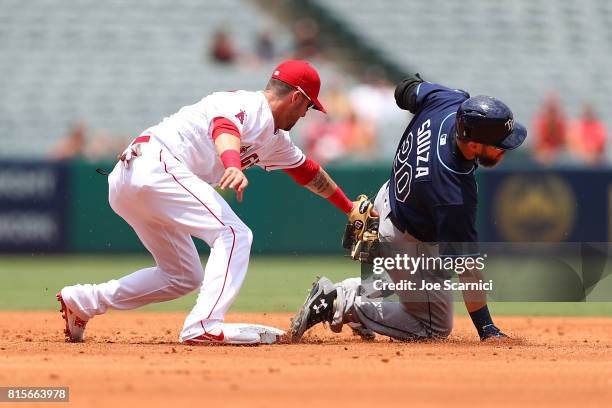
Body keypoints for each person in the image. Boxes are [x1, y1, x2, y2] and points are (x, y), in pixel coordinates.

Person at [57, 60, 359, 345]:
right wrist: (232, 164)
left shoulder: (276, 139)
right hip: (155, 164)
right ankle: (204, 325)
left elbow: (307, 171)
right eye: (309, 105)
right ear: (296, 97)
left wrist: (349, 208)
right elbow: (223, 127)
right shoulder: (251, 106)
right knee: (234, 233)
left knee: (183, 275)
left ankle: (84, 301)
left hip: (133, 178)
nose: (307, 113)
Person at [290, 73, 528, 342]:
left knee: (422, 272)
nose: (505, 150)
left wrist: (429, 97)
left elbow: (405, 89)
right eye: (500, 145)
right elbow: (467, 268)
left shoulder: (448, 101)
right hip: (405, 236)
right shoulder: (453, 192)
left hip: (389, 198)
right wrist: (486, 328)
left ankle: (354, 292)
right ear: (474, 144)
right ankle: (341, 303)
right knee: (433, 326)